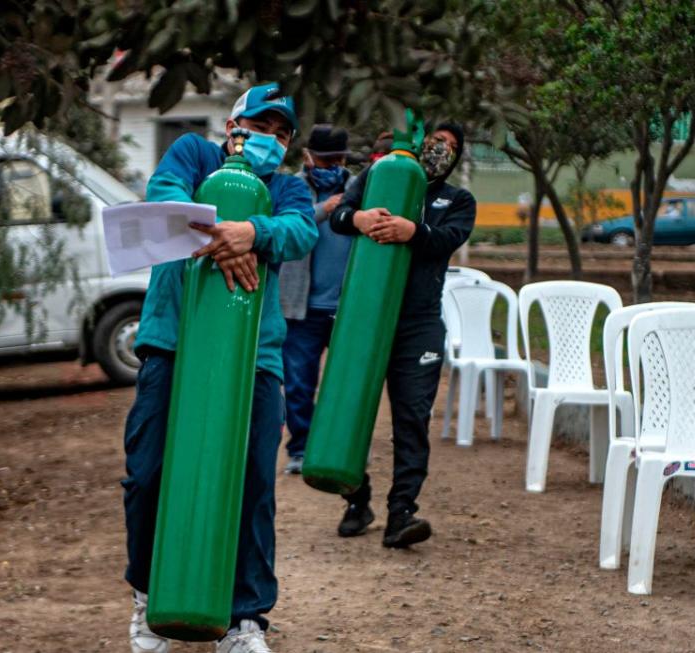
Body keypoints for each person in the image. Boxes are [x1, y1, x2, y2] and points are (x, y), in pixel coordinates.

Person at [122, 83, 317, 653]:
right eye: (262, 128)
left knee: (254, 481)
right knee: (148, 474)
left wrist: (252, 231)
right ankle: (147, 598)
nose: (271, 142)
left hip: (254, 355)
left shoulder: (287, 187)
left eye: (281, 134)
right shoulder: (192, 153)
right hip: (173, 340)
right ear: (234, 125)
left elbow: (300, 231)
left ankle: (245, 620)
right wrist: (226, 233)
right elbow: (165, 203)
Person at [328, 121, 476, 548]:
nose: (440, 150)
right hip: (367, 317)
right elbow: (339, 216)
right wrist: (357, 217)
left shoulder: (458, 199)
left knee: (412, 418)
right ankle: (357, 499)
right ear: (419, 141)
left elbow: (450, 238)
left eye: (451, 146)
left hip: (419, 323)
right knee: (349, 407)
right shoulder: (379, 175)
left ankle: (401, 513)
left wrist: (413, 231)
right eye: (436, 141)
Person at [278, 124, 356, 475]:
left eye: (337, 160)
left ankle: (344, 447)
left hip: (348, 307)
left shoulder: (360, 189)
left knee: (346, 384)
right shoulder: (291, 187)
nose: (330, 166)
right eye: (324, 159)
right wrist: (324, 208)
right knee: (297, 383)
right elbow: (285, 227)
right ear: (307, 156)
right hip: (301, 306)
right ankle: (300, 449)